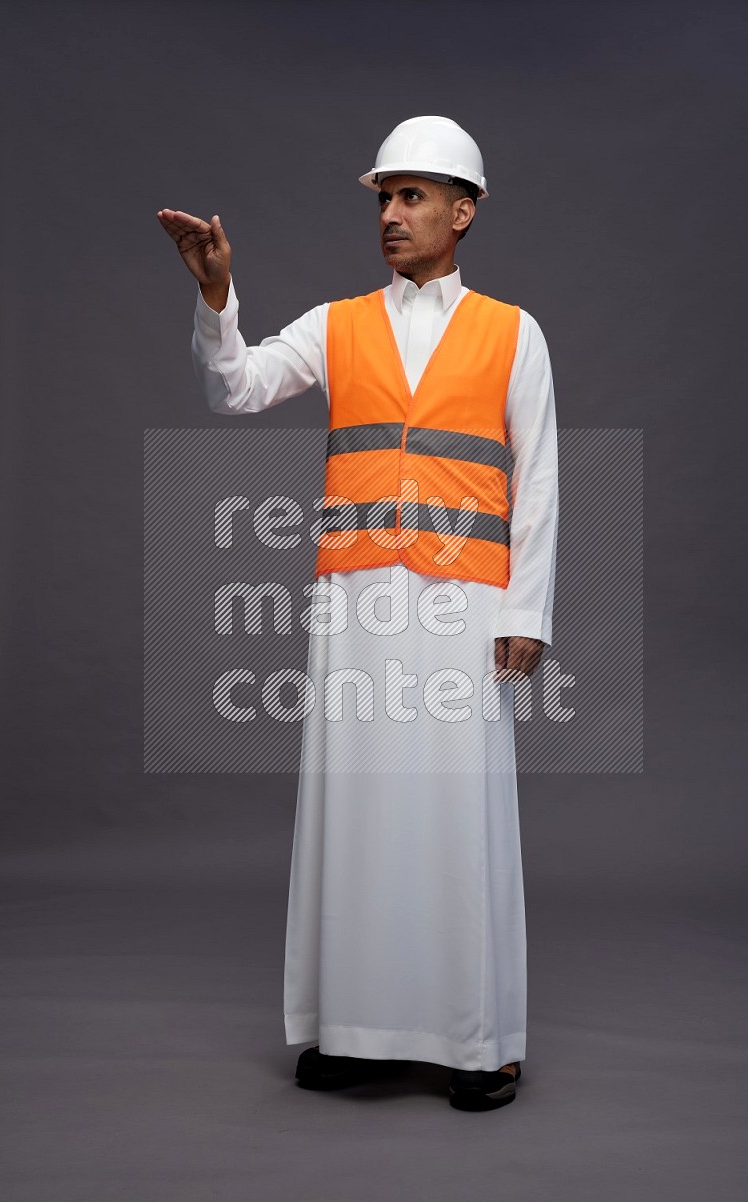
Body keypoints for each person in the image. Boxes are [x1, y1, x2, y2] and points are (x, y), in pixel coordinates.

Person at [157, 115, 559, 1111]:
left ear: (462, 211)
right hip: (355, 599)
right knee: (355, 808)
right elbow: (237, 388)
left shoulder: (514, 332)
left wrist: (528, 609)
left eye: (412, 195)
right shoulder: (336, 325)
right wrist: (216, 298)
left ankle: (479, 1040)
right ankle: (347, 1031)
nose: (390, 213)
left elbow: (540, 477)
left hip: (467, 603)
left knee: (458, 814)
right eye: (382, 196)